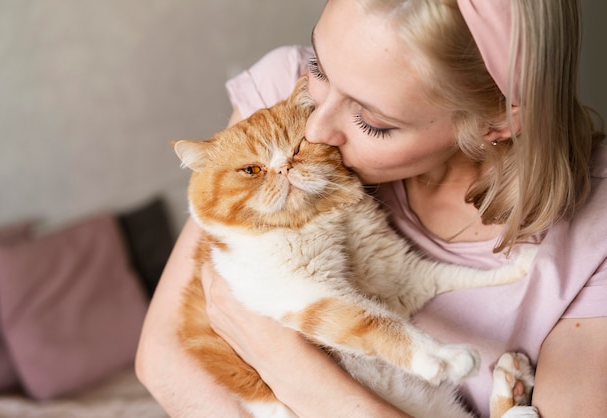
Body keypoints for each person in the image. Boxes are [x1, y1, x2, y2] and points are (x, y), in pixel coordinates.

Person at [136, 0, 607, 416]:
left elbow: (240, 312)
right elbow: (164, 358)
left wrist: (283, 359)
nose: (314, 130)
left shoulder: (595, 229)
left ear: (497, 124)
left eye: (372, 121)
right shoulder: (283, 99)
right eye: (320, 67)